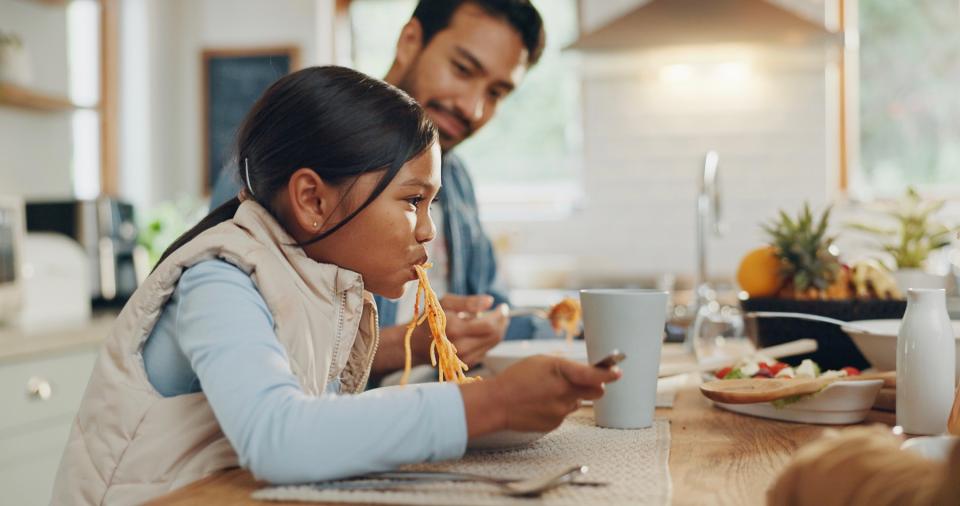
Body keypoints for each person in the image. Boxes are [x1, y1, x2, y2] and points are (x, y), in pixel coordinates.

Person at [51, 66, 618, 505]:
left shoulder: (327, 286)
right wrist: (489, 403)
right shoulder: (219, 279)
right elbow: (278, 438)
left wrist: (504, 411)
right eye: (413, 201)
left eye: (432, 203)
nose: (427, 230)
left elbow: (324, 432)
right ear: (313, 200)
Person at [210, 1, 554, 386]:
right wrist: (410, 343)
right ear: (410, 41)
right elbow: (256, 359)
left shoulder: (457, 180)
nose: (473, 108)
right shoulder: (296, 150)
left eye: (496, 93)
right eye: (462, 69)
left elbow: (496, 304)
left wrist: (493, 325)